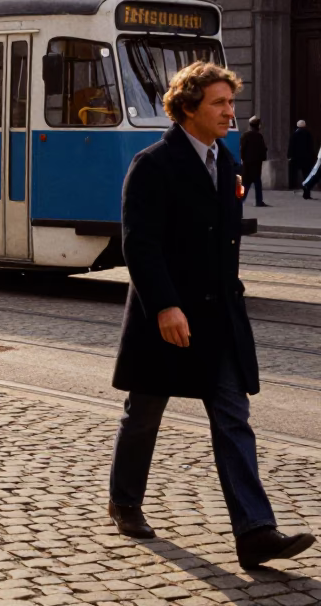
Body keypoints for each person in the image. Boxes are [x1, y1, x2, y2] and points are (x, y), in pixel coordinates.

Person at [108, 62, 315, 570]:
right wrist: (165, 306)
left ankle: (255, 532)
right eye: (220, 103)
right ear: (188, 108)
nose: (231, 113)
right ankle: (125, 501)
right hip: (169, 317)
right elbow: (141, 244)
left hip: (219, 318)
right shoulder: (152, 164)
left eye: (231, 103)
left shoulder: (227, 162)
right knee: (145, 413)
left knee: (233, 419)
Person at [239, 116, 269, 207]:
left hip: (248, 162)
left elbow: (242, 149)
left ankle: (240, 200)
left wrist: (243, 158)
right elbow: (263, 149)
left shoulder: (245, 135)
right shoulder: (259, 136)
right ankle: (258, 201)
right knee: (257, 182)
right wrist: (263, 157)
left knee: (246, 182)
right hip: (256, 162)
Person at [288, 120, 314, 198]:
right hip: (307, 159)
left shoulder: (294, 134)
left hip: (296, 158)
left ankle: (293, 186)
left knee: (294, 173)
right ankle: (307, 193)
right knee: (306, 176)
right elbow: (311, 147)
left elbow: (291, 146)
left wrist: (289, 156)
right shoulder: (308, 134)